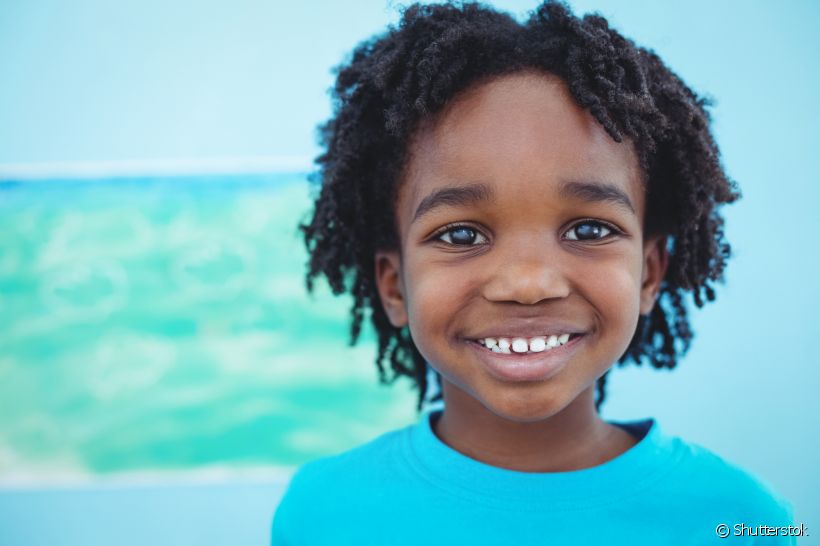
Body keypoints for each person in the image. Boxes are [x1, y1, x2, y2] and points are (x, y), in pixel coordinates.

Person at [272, 1, 797, 544]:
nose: (529, 284)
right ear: (393, 285)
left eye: (589, 231)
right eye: (461, 235)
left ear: (648, 273)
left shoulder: (743, 522)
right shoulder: (323, 512)